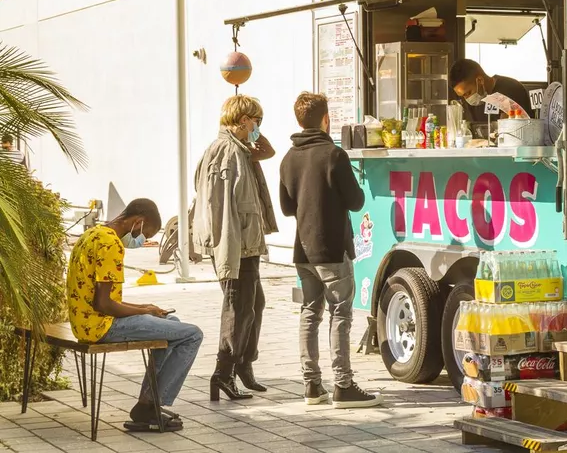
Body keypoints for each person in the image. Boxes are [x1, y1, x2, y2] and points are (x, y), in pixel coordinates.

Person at [279, 92, 383, 409]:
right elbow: (355, 201)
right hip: (332, 249)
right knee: (340, 314)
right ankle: (344, 385)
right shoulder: (334, 155)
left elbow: (286, 208)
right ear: (326, 119)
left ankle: (312, 386)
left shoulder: (288, 158)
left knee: (310, 313)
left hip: (303, 251)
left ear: (299, 120)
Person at [66, 198, 203, 432]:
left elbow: (100, 298)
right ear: (139, 222)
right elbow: (104, 304)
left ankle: (147, 405)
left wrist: (144, 308)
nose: (142, 241)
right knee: (192, 335)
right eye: (145, 235)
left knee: (171, 322)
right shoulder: (112, 244)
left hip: (85, 321)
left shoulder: (93, 234)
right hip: (102, 326)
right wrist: (144, 311)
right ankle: (151, 404)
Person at [192, 94, 278, 402]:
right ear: (243, 121)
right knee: (237, 308)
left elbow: (267, 152)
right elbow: (220, 207)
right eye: (256, 122)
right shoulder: (227, 153)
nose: (259, 127)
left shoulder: (241, 149)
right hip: (236, 244)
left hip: (246, 243)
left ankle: (242, 363)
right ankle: (223, 371)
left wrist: (256, 134)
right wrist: (227, 248)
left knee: (254, 304)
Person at [448, 59, 535, 123]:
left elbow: (508, 127)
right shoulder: (475, 102)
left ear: (480, 81)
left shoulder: (510, 89)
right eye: (463, 96)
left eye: (468, 93)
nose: (467, 99)